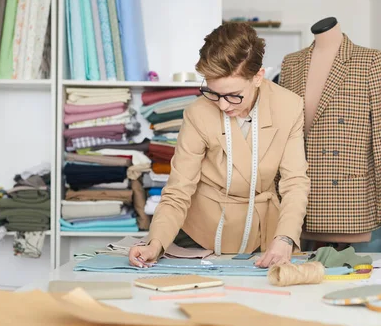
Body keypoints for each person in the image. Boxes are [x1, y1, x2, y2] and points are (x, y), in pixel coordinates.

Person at [128, 22, 310, 268]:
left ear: (258, 77)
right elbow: (178, 190)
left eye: (233, 95)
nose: (223, 106)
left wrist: (285, 237)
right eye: (214, 93)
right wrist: (155, 242)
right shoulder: (198, 114)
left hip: (264, 234)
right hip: (199, 236)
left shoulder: (289, 107)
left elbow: (295, 182)